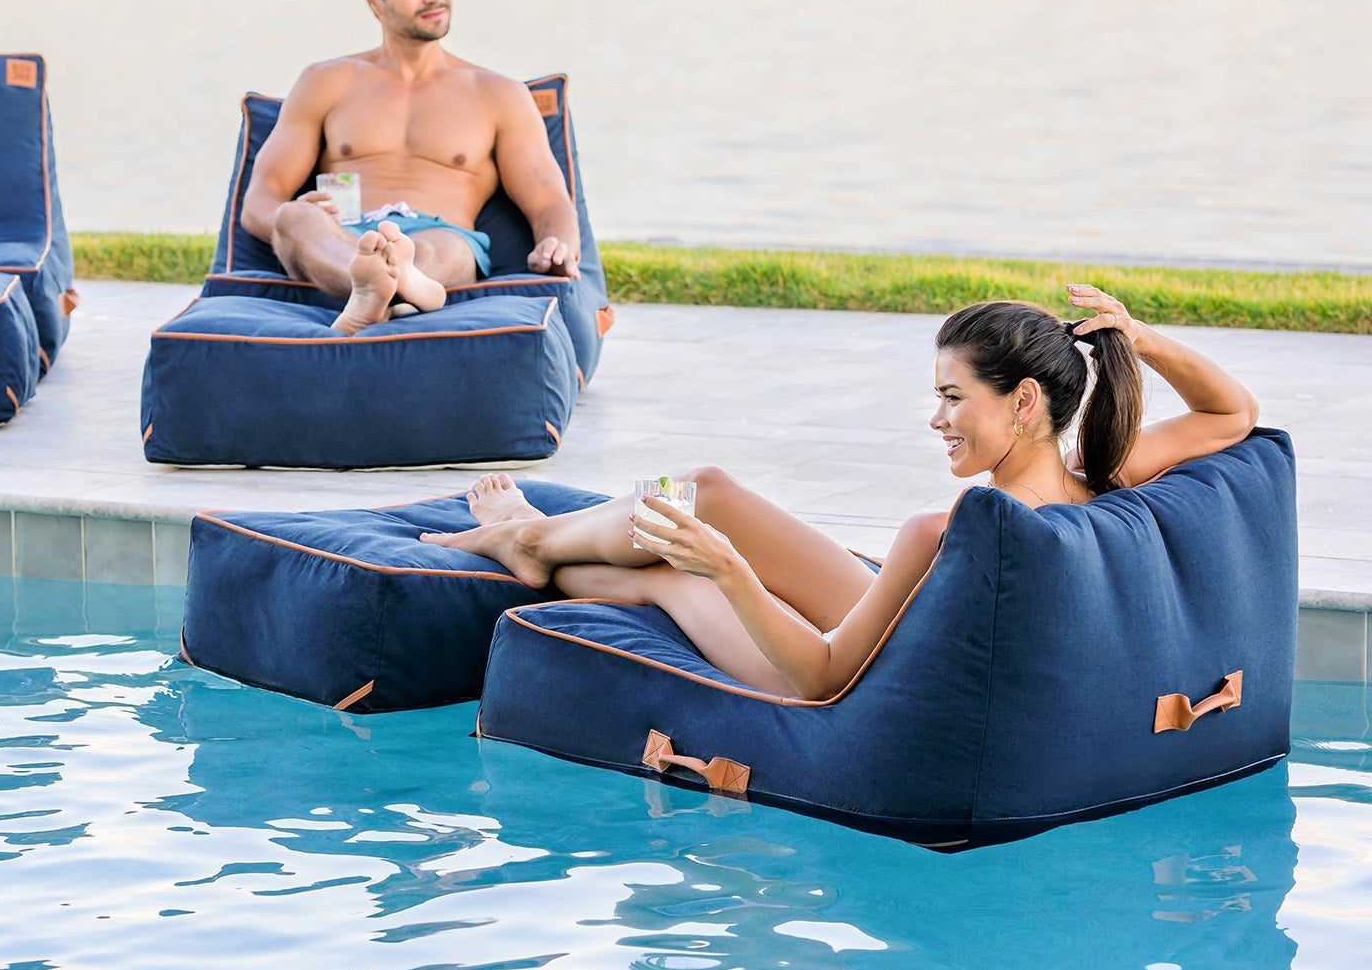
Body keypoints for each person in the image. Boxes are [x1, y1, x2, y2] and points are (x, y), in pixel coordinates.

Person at [423, 286, 1261, 701]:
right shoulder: (1105, 477)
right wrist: (1137, 337)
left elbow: (823, 677)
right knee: (704, 489)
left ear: (1025, 401)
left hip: (858, 672)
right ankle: (541, 537)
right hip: (904, 627)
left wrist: (730, 572)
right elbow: (1235, 411)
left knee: (670, 573)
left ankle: (530, 541)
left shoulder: (950, 529)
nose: (936, 419)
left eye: (951, 397)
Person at [241, 0, 583, 334]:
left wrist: (559, 244)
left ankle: (382, 290)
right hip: (342, 241)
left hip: (438, 237)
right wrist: (302, 217)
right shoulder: (326, 82)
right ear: (374, 0)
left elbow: (550, 202)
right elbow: (261, 199)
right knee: (294, 219)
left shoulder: (497, 94)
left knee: (450, 247)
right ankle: (383, 288)